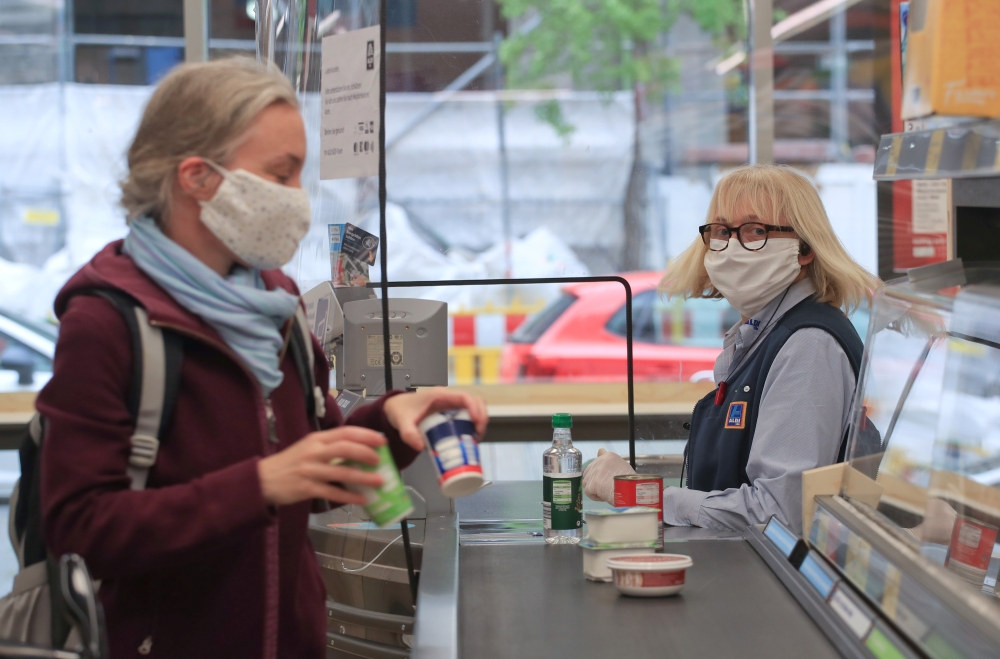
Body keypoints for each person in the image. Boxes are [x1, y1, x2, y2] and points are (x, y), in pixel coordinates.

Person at [37, 58, 487, 659]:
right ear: (198, 177)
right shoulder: (108, 322)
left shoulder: (275, 304)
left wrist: (397, 420)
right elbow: (79, 528)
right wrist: (260, 484)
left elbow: (318, 464)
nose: (296, 199)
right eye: (281, 174)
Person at [583, 164, 879, 534]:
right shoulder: (760, 336)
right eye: (722, 231)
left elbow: (775, 514)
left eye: (755, 230)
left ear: (804, 249)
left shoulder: (809, 346)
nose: (734, 246)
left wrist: (636, 492)